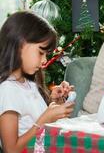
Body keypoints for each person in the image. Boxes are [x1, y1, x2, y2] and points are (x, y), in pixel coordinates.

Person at [0, 11, 74, 152]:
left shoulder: (29, 84)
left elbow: (32, 119)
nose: (45, 60)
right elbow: (11, 149)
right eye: (41, 52)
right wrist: (45, 120)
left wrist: (54, 104)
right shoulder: (7, 90)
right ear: (19, 44)